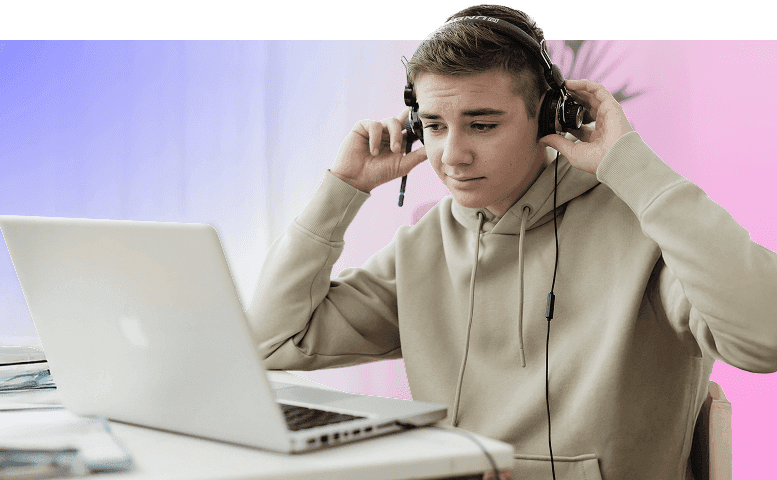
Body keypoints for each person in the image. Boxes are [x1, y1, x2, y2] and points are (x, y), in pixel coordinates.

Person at [248, 5, 777, 480]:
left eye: (481, 124)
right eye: (433, 125)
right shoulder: (425, 245)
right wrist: (341, 190)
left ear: (550, 118)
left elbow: (765, 337)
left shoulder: (646, 231)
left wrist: (633, 170)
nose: (451, 155)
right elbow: (271, 343)